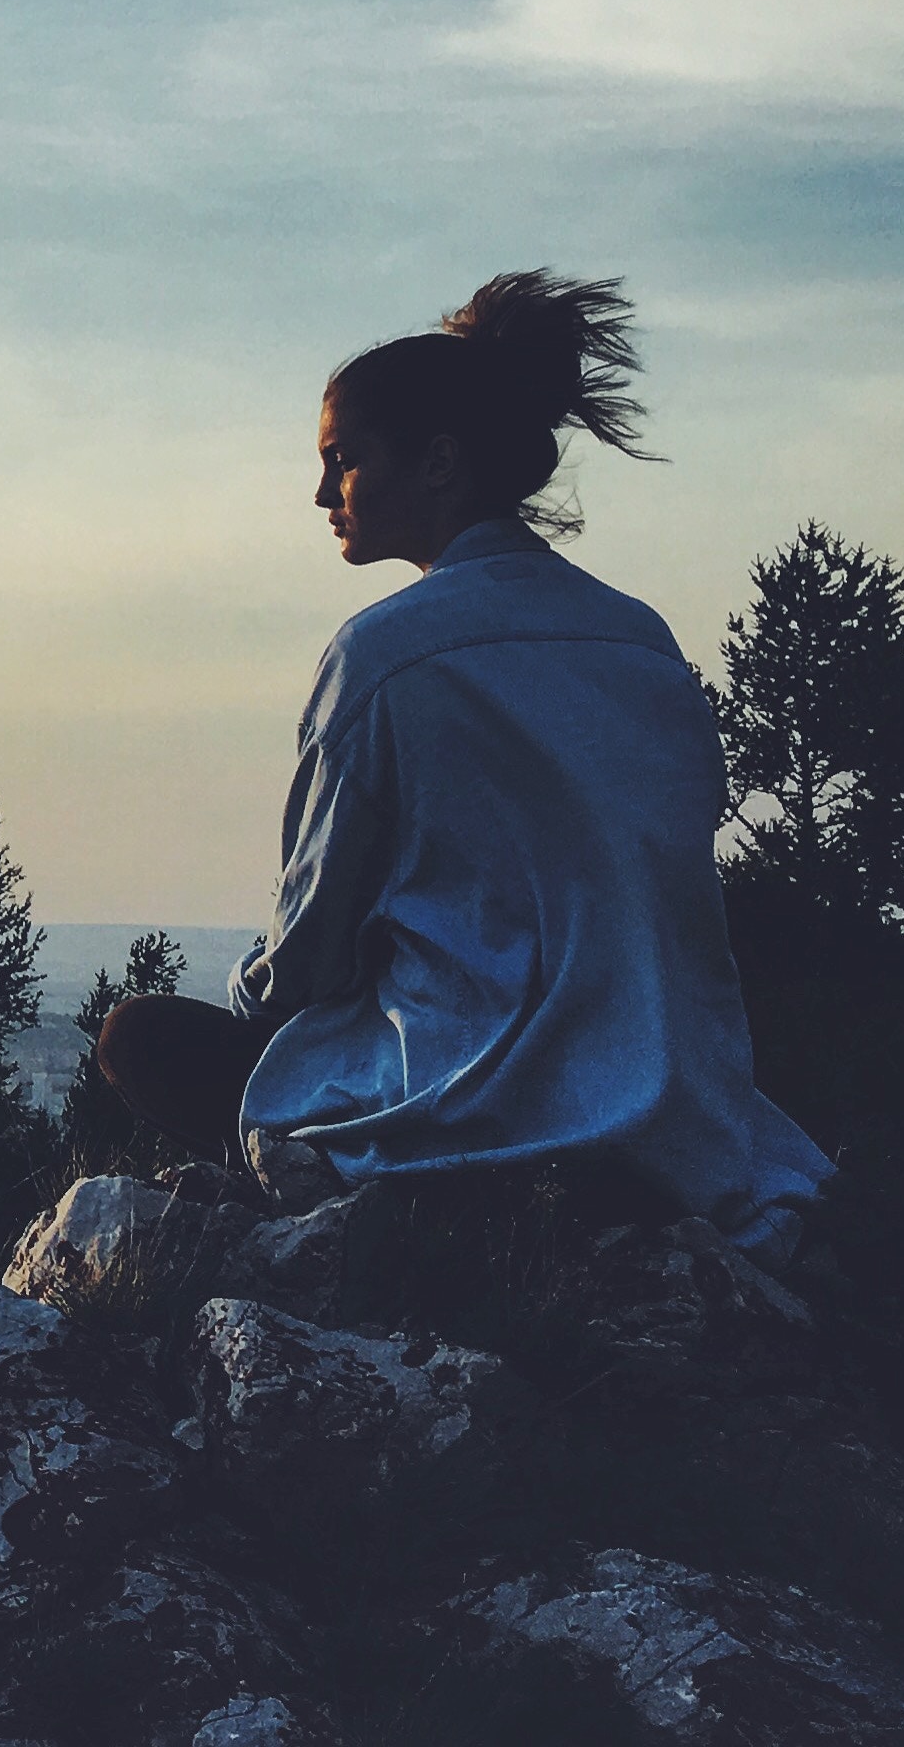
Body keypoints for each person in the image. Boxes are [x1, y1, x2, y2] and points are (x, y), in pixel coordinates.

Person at [95, 271, 830, 1262]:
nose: (323, 493)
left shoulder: (384, 655)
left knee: (137, 1038)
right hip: (670, 1115)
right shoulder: (644, 643)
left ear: (438, 463)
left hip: (460, 1108)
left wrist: (257, 1006)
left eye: (345, 461)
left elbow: (310, 954)